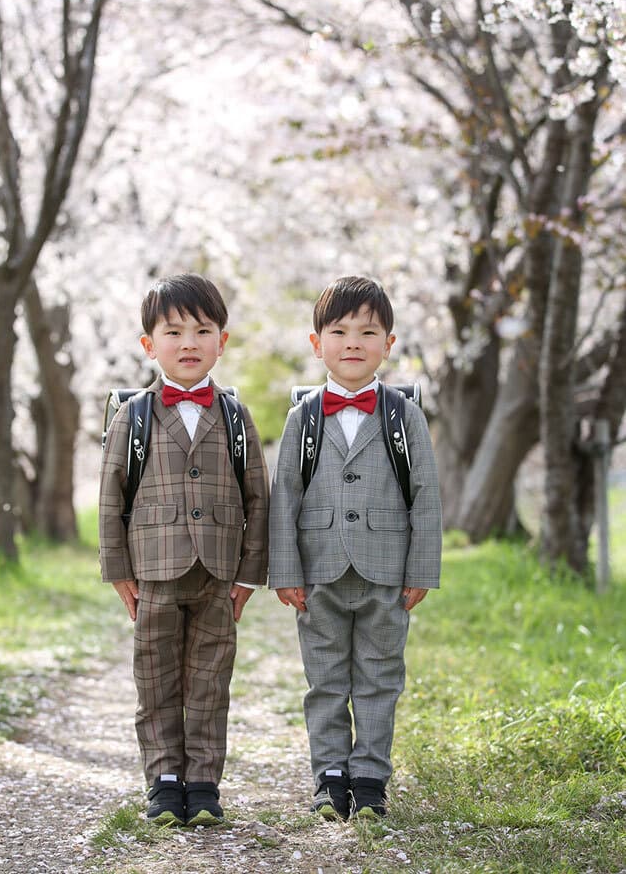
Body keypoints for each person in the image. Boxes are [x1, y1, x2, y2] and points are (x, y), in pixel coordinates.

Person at [269, 275, 442, 821]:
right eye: (338, 331)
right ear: (316, 342)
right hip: (319, 572)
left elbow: (426, 495)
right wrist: (284, 571)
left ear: (389, 345)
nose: (352, 343)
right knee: (323, 681)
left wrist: (422, 569)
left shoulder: (402, 415)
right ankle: (329, 775)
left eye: (368, 332)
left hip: (385, 570)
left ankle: (369, 775)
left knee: (379, 676)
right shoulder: (303, 417)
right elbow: (285, 498)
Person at [99, 273, 269, 828]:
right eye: (174, 332)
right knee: (155, 677)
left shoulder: (237, 418)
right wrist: (118, 570)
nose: (189, 343)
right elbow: (111, 497)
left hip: (219, 573)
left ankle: (204, 781)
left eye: (203, 330)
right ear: (149, 345)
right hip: (153, 571)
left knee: (210, 678)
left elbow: (257, 498)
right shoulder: (135, 416)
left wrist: (249, 574)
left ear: (223, 340)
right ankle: (164, 779)